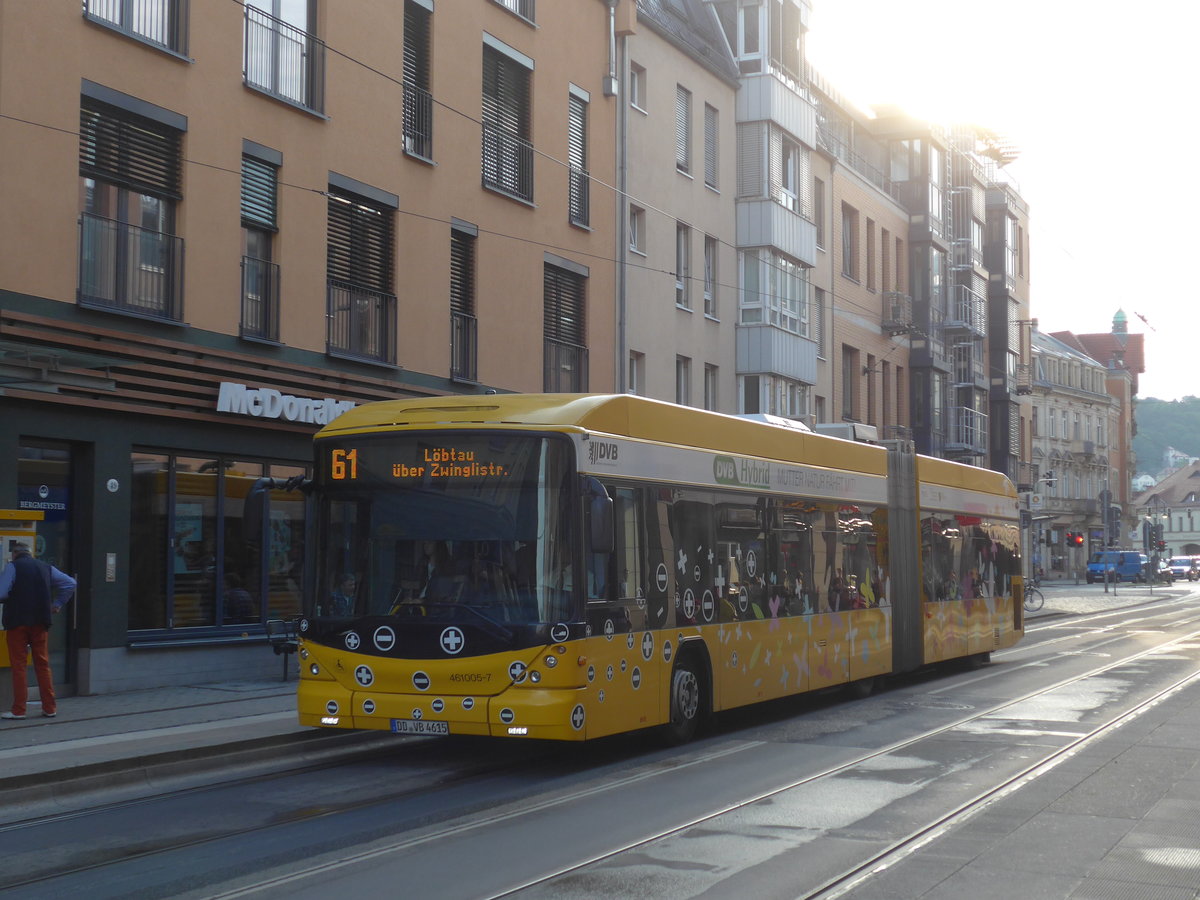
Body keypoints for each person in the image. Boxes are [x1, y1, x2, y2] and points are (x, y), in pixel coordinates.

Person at [0, 541, 76, 720]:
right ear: (30, 553)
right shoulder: (45, 567)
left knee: (19, 666)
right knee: (42, 664)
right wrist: (56, 604)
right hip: (40, 623)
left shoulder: (12, 566)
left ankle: (19, 710)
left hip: (17, 623)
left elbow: (2, 593)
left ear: (14, 554)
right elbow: (70, 583)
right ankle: (50, 708)